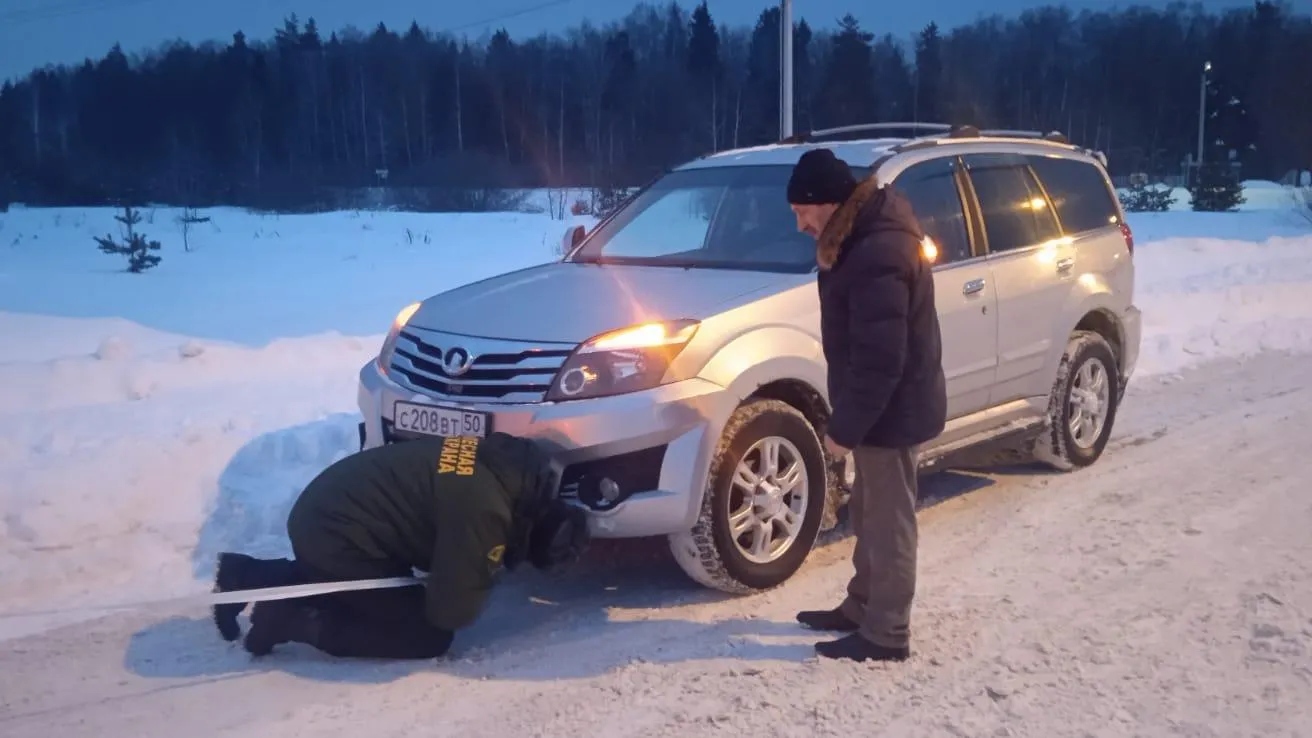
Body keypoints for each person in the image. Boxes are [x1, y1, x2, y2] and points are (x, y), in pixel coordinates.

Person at [210, 431, 591, 659]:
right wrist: (483, 568)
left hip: (329, 510)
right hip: (335, 531)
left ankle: (246, 574)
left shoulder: (496, 470)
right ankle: (292, 621)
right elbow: (449, 611)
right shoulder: (486, 512)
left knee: (376, 584)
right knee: (423, 634)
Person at [785, 148, 948, 663]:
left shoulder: (878, 250)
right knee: (868, 509)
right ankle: (863, 605)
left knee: (889, 518)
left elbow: (881, 359)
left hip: (890, 410)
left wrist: (845, 429)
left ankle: (887, 632)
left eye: (801, 212)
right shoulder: (858, 240)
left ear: (827, 203)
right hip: (879, 406)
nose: (798, 224)